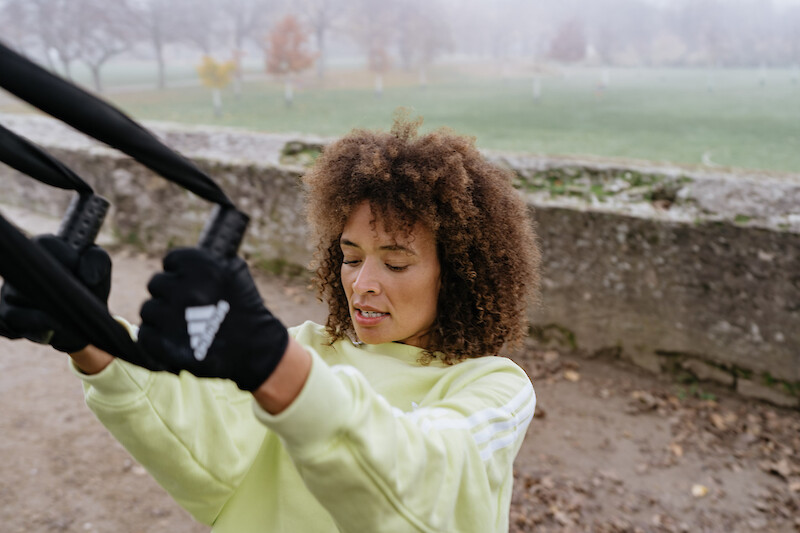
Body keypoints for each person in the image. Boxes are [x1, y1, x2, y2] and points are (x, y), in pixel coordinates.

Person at [0, 114, 541, 532]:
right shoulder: (307, 348)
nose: (362, 283)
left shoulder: (494, 388)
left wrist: (272, 365)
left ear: (464, 275)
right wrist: (87, 335)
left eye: (395, 263)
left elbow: (429, 475)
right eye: (351, 257)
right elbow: (200, 430)